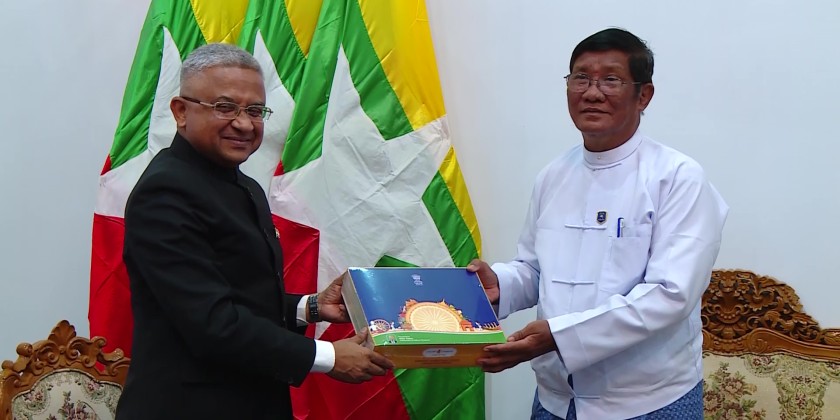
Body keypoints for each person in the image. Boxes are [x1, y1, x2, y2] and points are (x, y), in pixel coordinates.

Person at [116, 43, 394, 419]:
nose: (244, 124)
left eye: (255, 110)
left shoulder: (242, 185)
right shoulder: (166, 192)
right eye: (225, 107)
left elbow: (241, 297)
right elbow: (211, 322)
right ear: (181, 111)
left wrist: (312, 307)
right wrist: (327, 356)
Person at [468, 28, 728, 419]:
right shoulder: (553, 175)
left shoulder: (677, 177)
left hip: (648, 401)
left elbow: (670, 294)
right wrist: (501, 284)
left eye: (610, 80)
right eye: (581, 78)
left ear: (644, 95)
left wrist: (559, 336)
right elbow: (535, 270)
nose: (592, 93)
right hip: (556, 399)